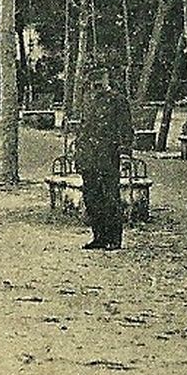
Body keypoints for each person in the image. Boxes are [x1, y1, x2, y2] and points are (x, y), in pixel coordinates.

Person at [76, 69, 128, 251]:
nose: (97, 86)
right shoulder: (88, 101)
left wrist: (126, 154)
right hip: (89, 158)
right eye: (94, 83)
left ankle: (114, 239)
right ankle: (99, 237)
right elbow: (83, 129)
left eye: (100, 83)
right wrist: (79, 155)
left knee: (110, 198)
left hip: (108, 156)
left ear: (107, 81)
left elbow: (125, 129)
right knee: (92, 198)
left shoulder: (118, 100)